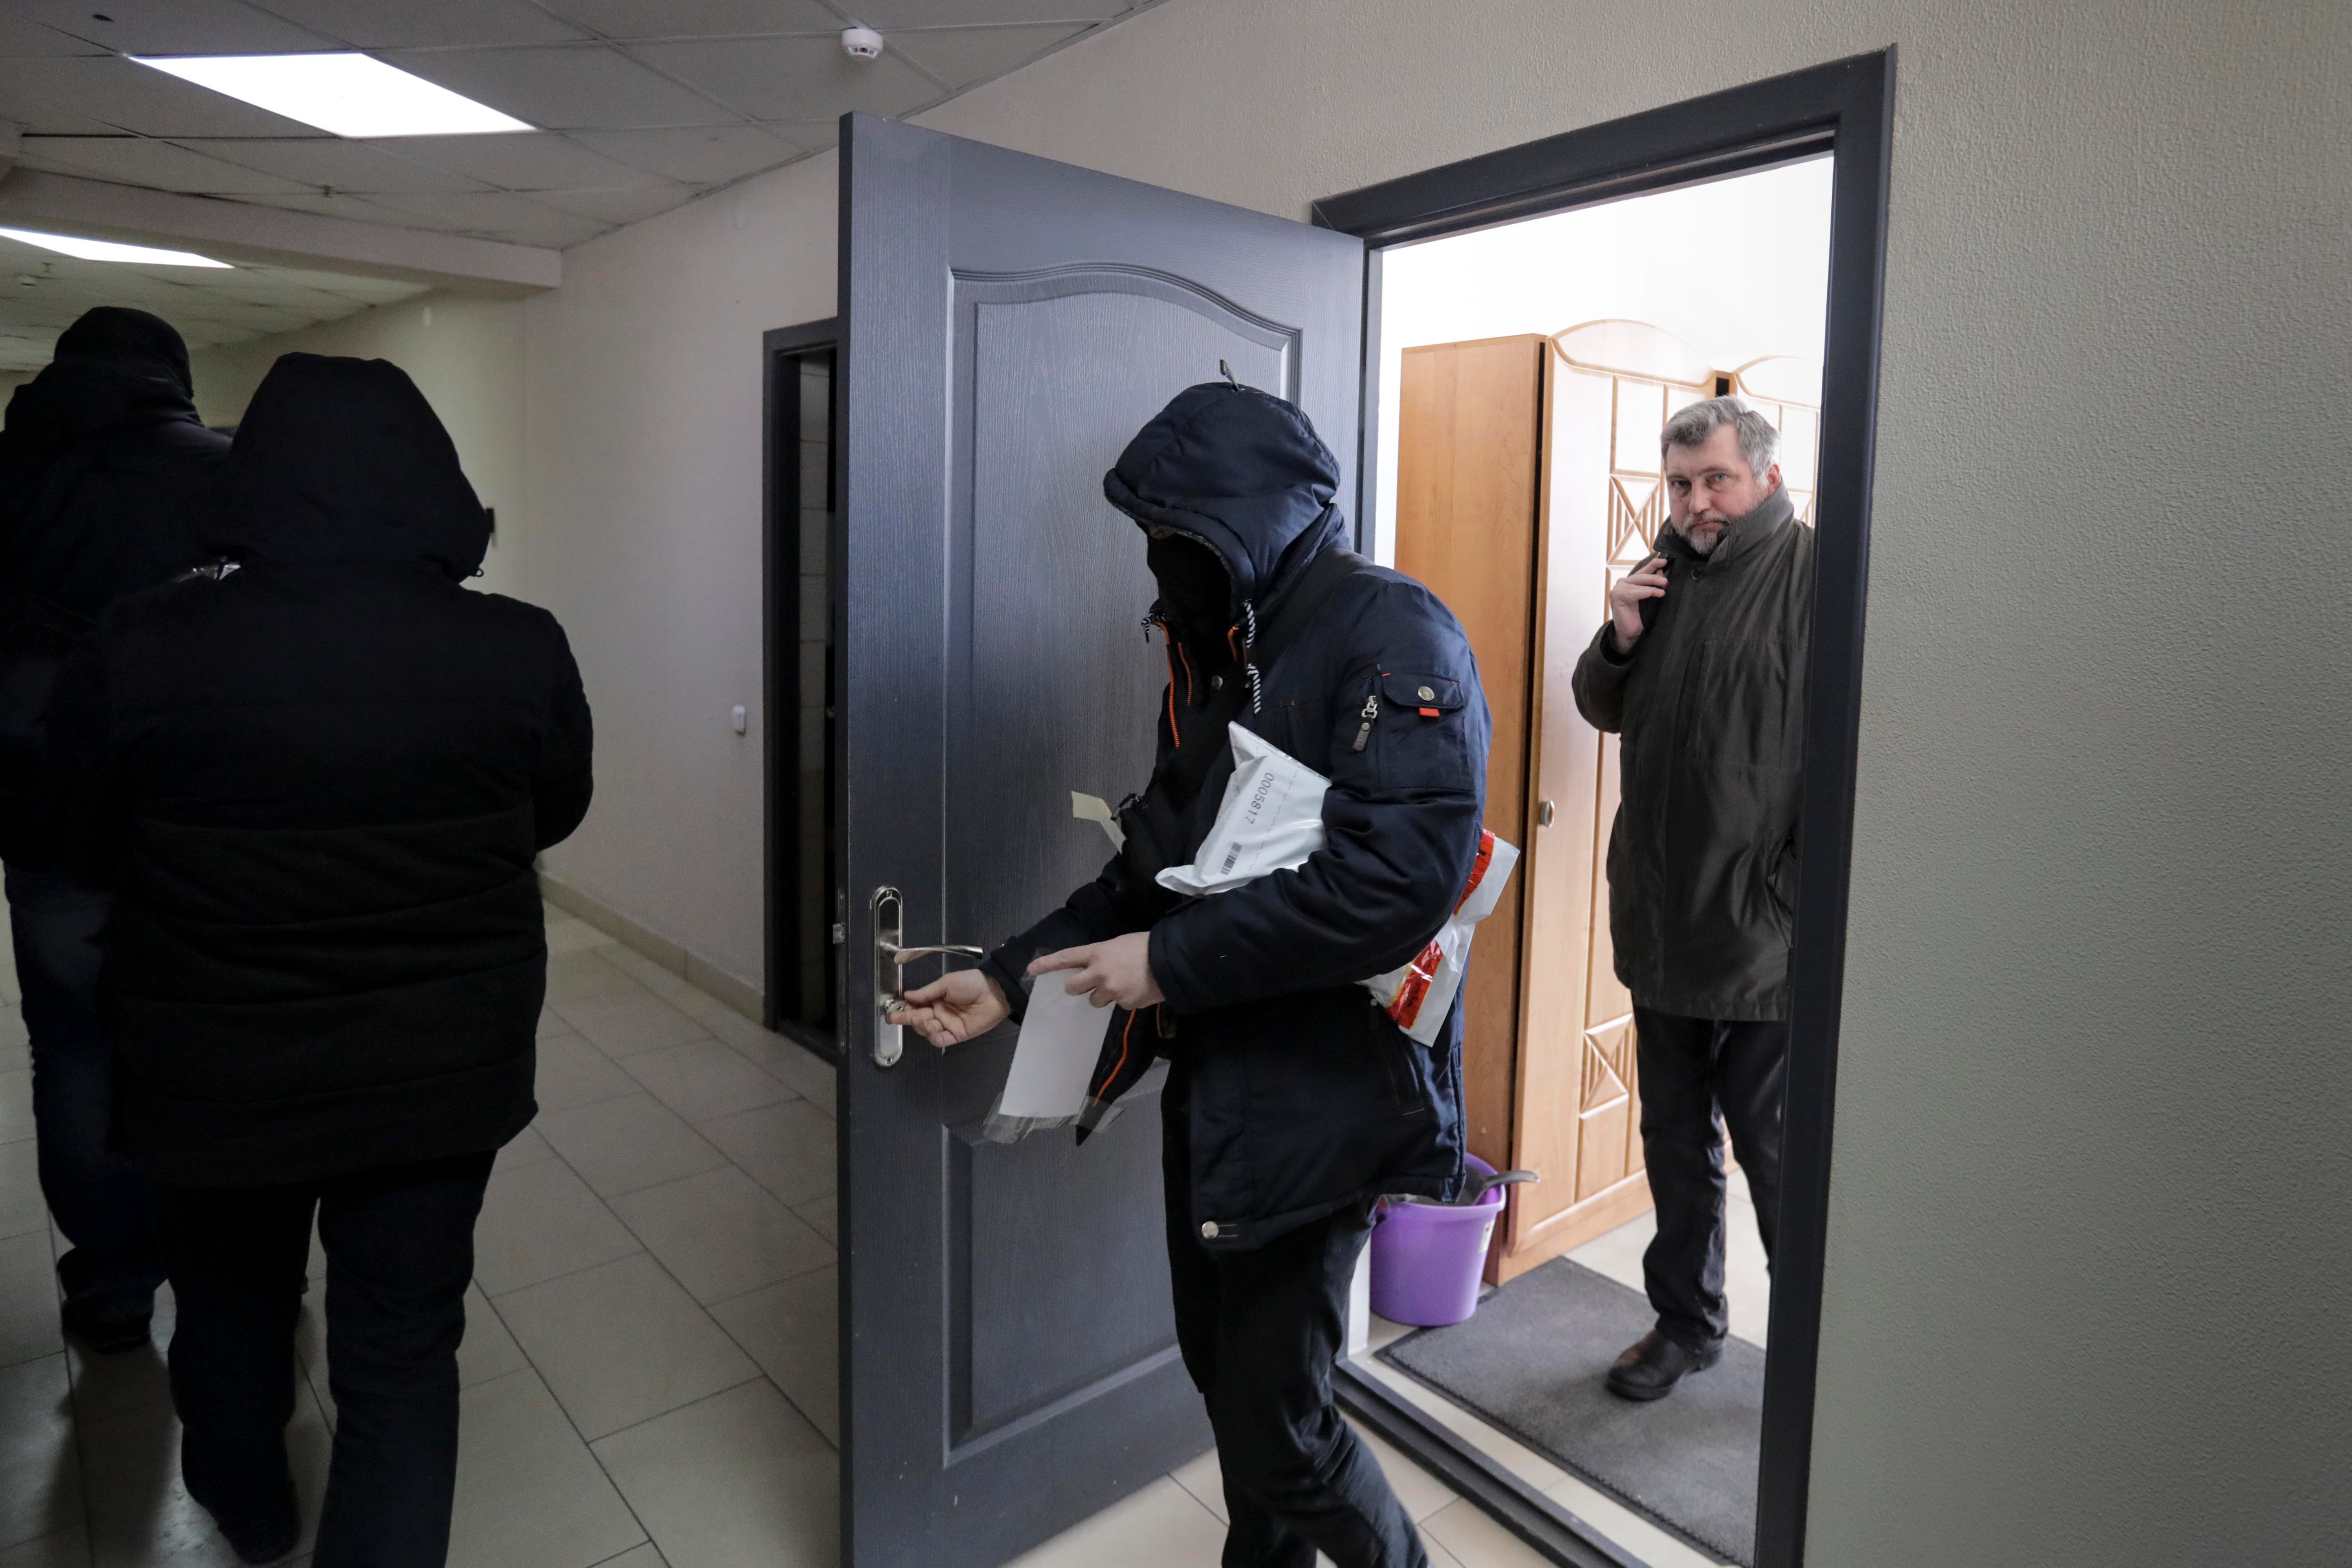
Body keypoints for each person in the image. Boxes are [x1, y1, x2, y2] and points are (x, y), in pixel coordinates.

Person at [895, 382, 1491, 1568]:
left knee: (1282, 1428)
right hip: (1221, 1088)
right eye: (1151, 540)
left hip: (1324, 1102)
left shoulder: (1390, 633)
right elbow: (1150, 873)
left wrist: (1166, 964)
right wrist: (1010, 979)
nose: (1159, 564)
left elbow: (1397, 887)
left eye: (1175, 536)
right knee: (1226, 1379)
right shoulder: (1228, 657)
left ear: (1250, 523)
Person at [42, 352, 592, 1566]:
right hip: (438, 1073)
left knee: (230, 1319)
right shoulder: (517, 646)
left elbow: (76, 835)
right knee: (401, 1355)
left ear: (252, 484)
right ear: (437, 485)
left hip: (211, 1072)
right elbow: (550, 812)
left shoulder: (145, 642)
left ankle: (250, 1509)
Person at [1571, 395, 1810, 1401]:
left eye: (1714, 479)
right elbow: (1598, 701)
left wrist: (1795, 894)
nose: (1696, 501)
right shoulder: (1663, 574)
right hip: (1663, 921)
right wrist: (1623, 631)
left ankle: (1808, 1347)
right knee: (1671, 1138)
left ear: (1763, 475)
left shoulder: (1819, 579)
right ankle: (1684, 1323)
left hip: (1767, 935)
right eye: (1680, 483)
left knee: (1772, 1148)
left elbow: (1867, 758)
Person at [0, 306, 229, 1352]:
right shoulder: (221, 471)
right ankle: (237, 1269)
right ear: (168, 374)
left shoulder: (12, 473)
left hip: (44, 815)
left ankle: (112, 1286)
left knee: (75, 1048)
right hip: (194, 815)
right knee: (212, 1035)